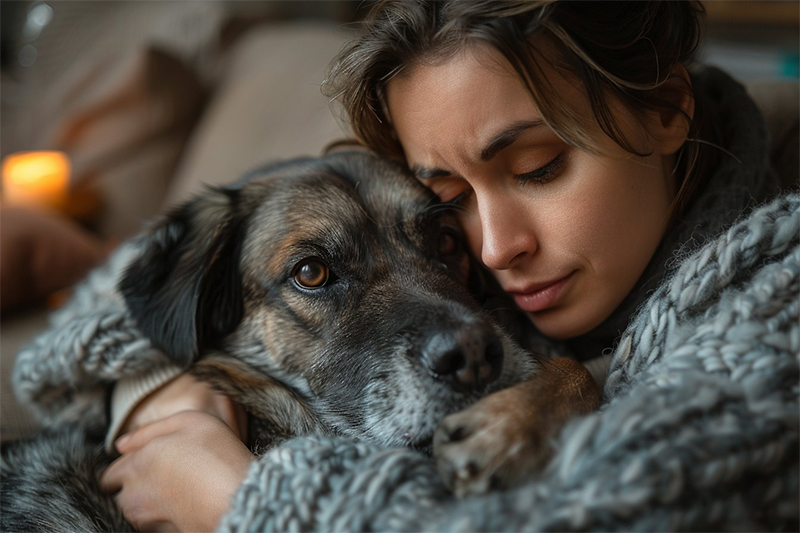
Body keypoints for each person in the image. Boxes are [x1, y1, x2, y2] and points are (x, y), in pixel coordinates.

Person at [13, 1, 797, 531]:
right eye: (450, 198)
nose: (493, 249)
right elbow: (99, 326)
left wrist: (236, 498)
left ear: (664, 111)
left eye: (537, 165)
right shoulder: (527, 273)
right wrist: (163, 402)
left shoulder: (773, 305)